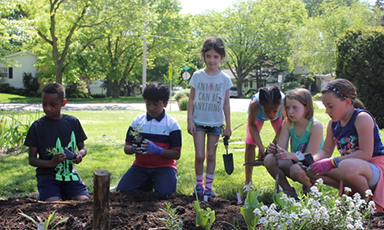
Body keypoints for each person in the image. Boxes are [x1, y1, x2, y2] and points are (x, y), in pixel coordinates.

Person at [307, 79, 384, 213]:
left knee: (346, 166)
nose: (327, 111)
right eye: (325, 106)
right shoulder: (333, 123)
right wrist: (310, 161)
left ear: (347, 102)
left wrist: (333, 162)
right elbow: (325, 151)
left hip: (375, 167)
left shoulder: (362, 118)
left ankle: (369, 203)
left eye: (330, 106)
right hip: (352, 168)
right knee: (313, 170)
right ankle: (353, 196)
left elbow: (365, 154)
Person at [24, 83, 89, 202]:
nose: (47, 108)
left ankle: (66, 192)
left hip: (69, 174)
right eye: (44, 104)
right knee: (53, 204)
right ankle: (50, 194)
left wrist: (80, 154)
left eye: (53, 105)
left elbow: (83, 148)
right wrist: (50, 163)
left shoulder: (72, 122)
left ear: (63, 103)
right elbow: (32, 160)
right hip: (47, 175)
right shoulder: (37, 127)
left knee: (83, 201)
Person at [116, 82, 182, 197]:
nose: (151, 108)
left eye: (156, 104)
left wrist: (158, 150)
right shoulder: (138, 122)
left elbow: (176, 154)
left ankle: (152, 182)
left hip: (164, 167)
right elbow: (126, 148)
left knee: (165, 195)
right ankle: (147, 182)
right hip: (140, 167)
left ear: (165, 103)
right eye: (148, 104)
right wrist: (133, 148)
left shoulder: (172, 124)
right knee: (122, 192)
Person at [187, 37, 233, 198]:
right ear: (203, 56)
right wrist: (189, 120)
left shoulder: (225, 79)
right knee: (199, 155)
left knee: (211, 156)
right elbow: (191, 99)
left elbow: (226, 104)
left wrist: (228, 125)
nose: (211, 60)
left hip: (215, 123)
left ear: (221, 57)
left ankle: (209, 187)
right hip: (199, 121)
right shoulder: (197, 76)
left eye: (215, 57)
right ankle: (199, 185)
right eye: (208, 56)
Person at [264, 88, 324, 197]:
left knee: (295, 169)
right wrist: (275, 150)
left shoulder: (315, 126)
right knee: (269, 159)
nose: (290, 111)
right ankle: (288, 191)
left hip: (314, 166)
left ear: (307, 108)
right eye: (287, 107)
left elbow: (310, 156)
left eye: (295, 108)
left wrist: (291, 155)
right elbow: (282, 148)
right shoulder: (288, 123)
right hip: (296, 162)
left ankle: (311, 187)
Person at [243, 86, 284, 192]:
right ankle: (248, 182)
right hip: (258, 118)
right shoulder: (254, 104)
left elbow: (283, 128)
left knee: (280, 145)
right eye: (267, 111)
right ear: (261, 104)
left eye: (274, 110)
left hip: (279, 119)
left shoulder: (285, 103)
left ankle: (281, 183)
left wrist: (273, 144)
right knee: (250, 143)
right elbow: (252, 125)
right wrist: (260, 146)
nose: (271, 114)